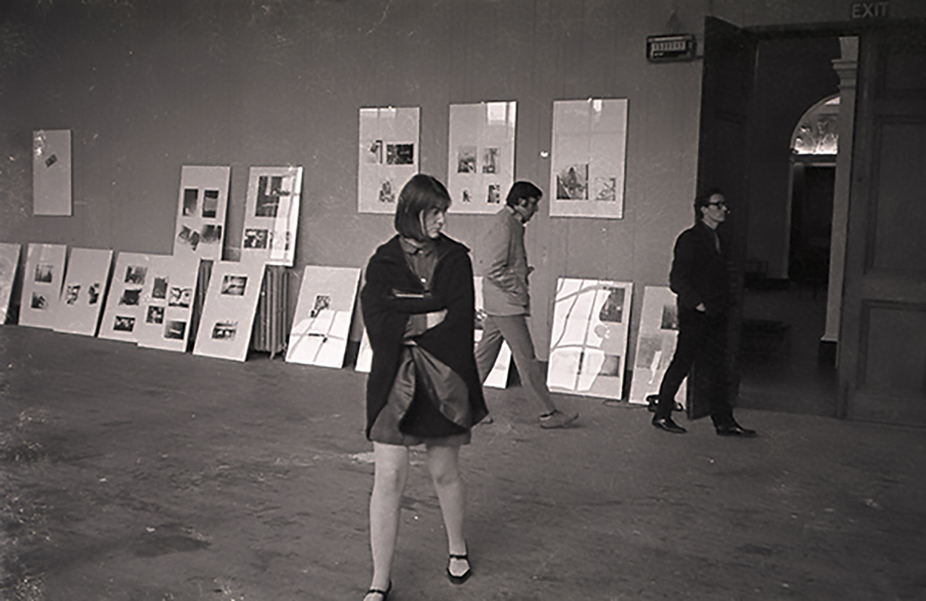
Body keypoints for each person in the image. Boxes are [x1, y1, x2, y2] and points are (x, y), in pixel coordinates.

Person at [359, 174, 489, 601]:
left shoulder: (456, 258)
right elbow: (376, 322)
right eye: (434, 212)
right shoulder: (382, 261)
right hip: (392, 384)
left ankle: (457, 547)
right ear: (412, 213)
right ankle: (380, 580)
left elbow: (459, 321)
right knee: (388, 477)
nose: (442, 220)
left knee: (444, 472)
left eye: (443, 212)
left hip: (443, 382)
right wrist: (427, 315)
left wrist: (404, 317)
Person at [651, 188, 757, 437]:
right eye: (717, 205)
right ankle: (662, 414)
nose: (723, 209)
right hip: (696, 313)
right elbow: (677, 279)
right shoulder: (690, 239)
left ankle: (724, 421)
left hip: (717, 312)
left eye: (724, 205)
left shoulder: (720, 239)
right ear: (703, 209)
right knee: (682, 362)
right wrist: (698, 304)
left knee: (718, 367)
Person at [474, 181, 578, 429]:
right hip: (506, 304)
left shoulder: (510, 223)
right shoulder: (504, 225)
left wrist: (519, 272)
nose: (536, 210)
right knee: (527, 358)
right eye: (533, 204)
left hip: (500, 302)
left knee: (484, 357)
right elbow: (492, 268)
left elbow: (501, 265)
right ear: (521, 203)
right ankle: (547, 413)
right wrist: (517, 284)